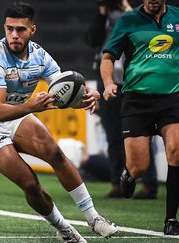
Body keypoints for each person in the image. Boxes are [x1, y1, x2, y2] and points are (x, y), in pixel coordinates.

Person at [0, 2, 117, 242]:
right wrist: (32, 107)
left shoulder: (40, 56)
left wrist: (86, 97)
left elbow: (64, 92)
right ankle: (64, 229)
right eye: (10, 29)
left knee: (55, 153)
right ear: (4, 28)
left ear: (32, 30)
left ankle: (94, 218)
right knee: (30, 183)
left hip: (18, 114)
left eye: (21, 30)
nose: (14, 35)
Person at [100, 0, 179, 235]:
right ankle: (129, 174)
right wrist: (108, 84)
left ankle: (171, 219)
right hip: (137, 101)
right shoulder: (127, 21)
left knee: (176, 151)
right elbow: (107, 57)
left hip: (172, 98)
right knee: (140, 166)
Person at [85, 0, 159, 199]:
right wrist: (101, 12)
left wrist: (126, 8)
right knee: (113, 134)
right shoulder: (104, 16)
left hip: (135, 81)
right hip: (109, 82)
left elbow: (150, 33)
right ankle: (118, 182)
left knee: (143, 133)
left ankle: (149, 184)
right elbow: (92, 39)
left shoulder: (137, 13)